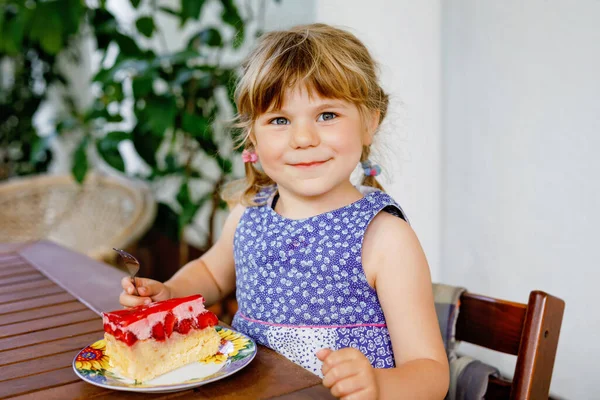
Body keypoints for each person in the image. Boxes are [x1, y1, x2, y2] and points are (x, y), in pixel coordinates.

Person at [120, 23, 449, 399]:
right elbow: (212, 273)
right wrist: (170, 293)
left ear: (369, 122)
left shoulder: (385, 238)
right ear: (253, 138)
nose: (303, 139)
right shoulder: (249, 214)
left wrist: (377, 385)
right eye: (280, 120)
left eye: (327, 115)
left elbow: (431, 374)